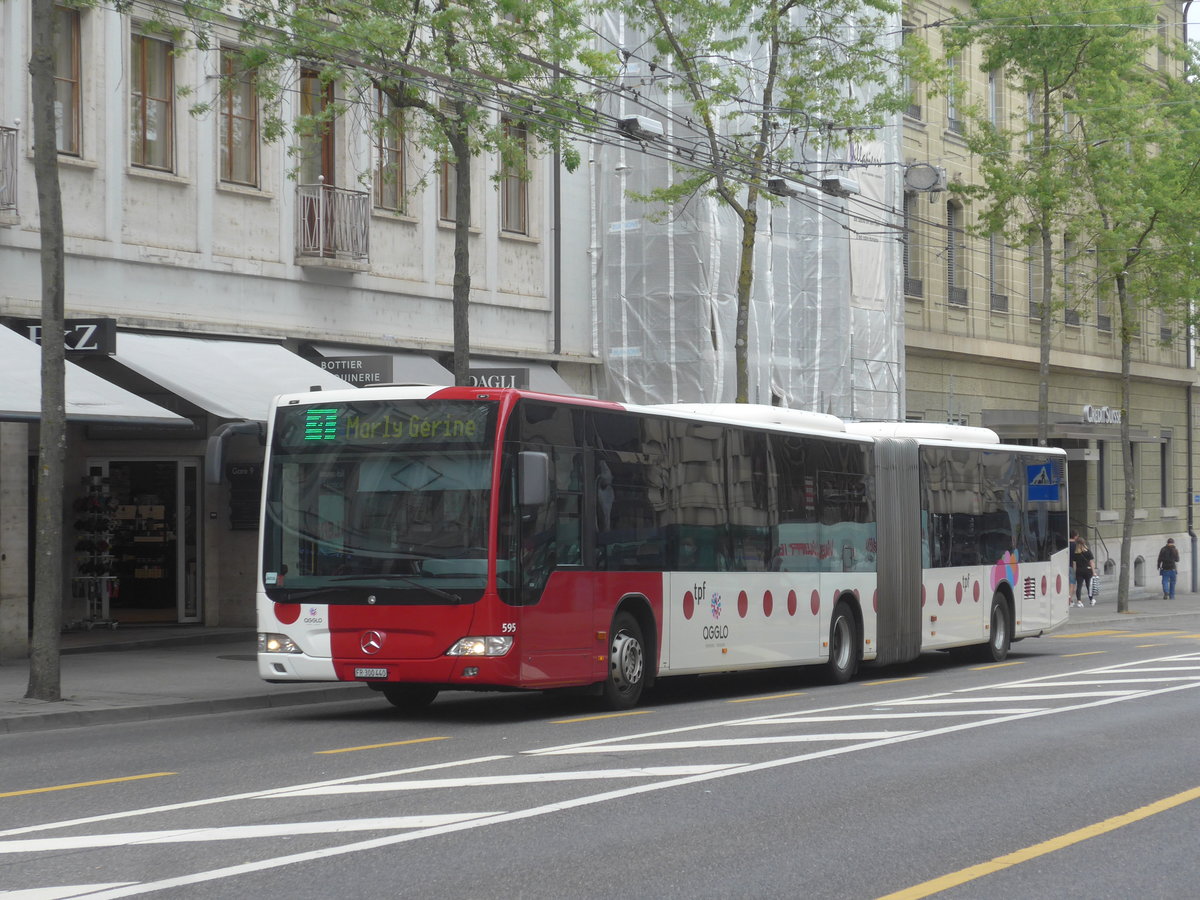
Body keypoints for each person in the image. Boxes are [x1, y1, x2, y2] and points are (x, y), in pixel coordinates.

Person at [1071, 536, 1095, 608]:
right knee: (1089, 586)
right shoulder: (1088, 551)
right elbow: (1091, 562)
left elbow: (1074, 564)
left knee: (1079, 586)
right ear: (1084, 543)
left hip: (1079, 571)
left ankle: (1079, 601)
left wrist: (1075, 572)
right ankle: (1091, 599)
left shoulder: (1075, 553)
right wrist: (1093, 572)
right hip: (1088, 570)